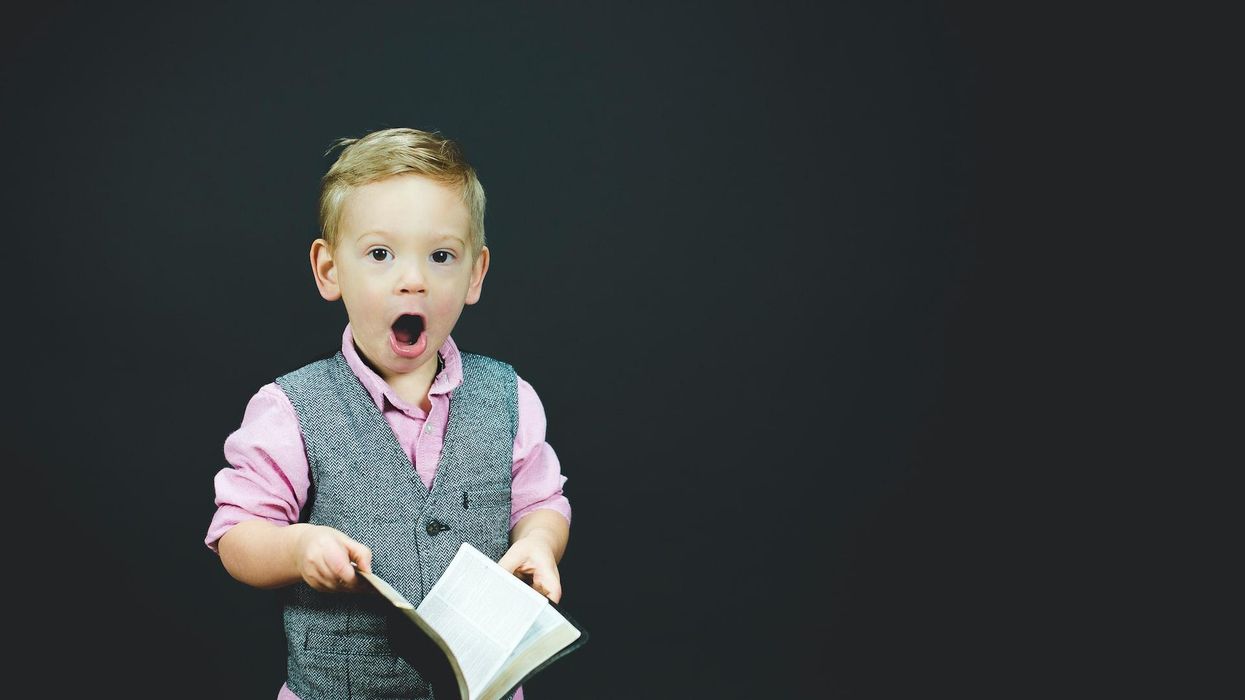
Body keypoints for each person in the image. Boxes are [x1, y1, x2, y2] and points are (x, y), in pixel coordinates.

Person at [204, 127, 571, 700]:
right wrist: (298, 549)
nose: (413, 280)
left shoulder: (510, 398)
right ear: (329, 271)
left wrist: (541, 542)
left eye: (442, 256)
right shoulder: (289, 410)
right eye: (380, 254)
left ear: (475, 274)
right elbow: (236, 535)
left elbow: (542, 502)